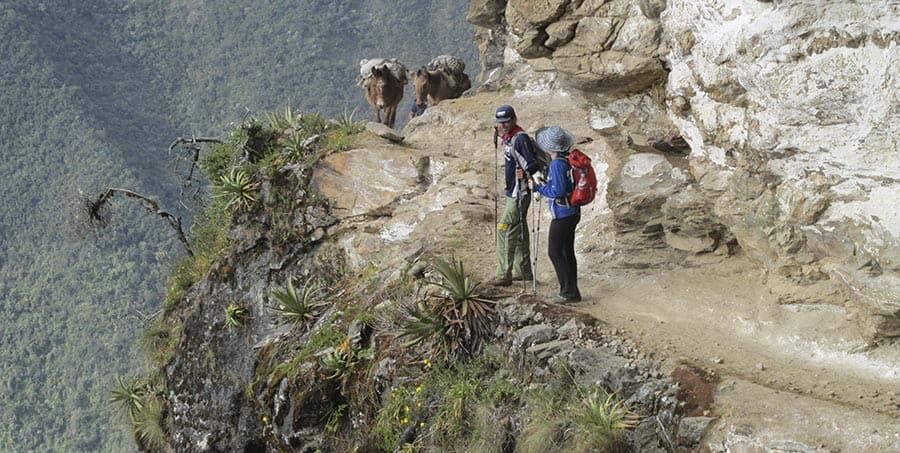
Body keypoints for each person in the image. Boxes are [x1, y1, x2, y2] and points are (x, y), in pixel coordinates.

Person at [490, 105, 544, 287]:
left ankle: (503, 273)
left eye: (506, 122)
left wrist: (536, 183)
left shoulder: (520, 139)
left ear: (514, 119)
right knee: (519, 230)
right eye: (500, 122)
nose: (503, 125)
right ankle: (523, 271)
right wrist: (502, 137)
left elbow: (530, 164)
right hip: (515, 191)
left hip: (518, 193)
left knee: (504, 229)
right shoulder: (511, 137)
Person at [529, 126, 581, 302]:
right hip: (572, 211)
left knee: (555, 252)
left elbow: (558, 191)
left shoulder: (558, 164)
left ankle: (567, 292)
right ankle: (572, 291)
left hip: (562, 214)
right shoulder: (567, 159)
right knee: (567, 252)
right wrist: (546, 184)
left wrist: (538, 187)